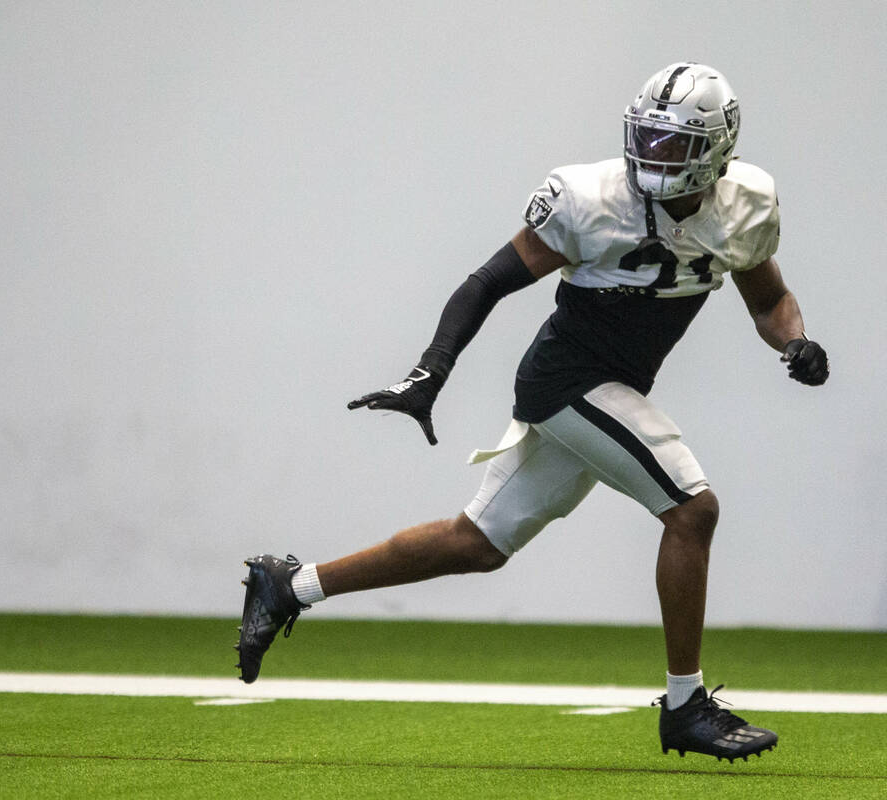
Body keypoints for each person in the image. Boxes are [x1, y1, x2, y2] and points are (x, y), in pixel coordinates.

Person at [236, 62, 829, 763]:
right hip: (567, 379)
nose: (656, 154)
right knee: (692, 509)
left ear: (717, 151)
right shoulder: (590, 197)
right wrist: (431, 372)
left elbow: (767, 301)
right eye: (649, 136)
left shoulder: (746, 205)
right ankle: (683, 705)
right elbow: (488, 281)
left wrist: (794, 341)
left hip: (611, 387)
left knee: (476, 544)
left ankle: (290, 585)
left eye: (675, 143)